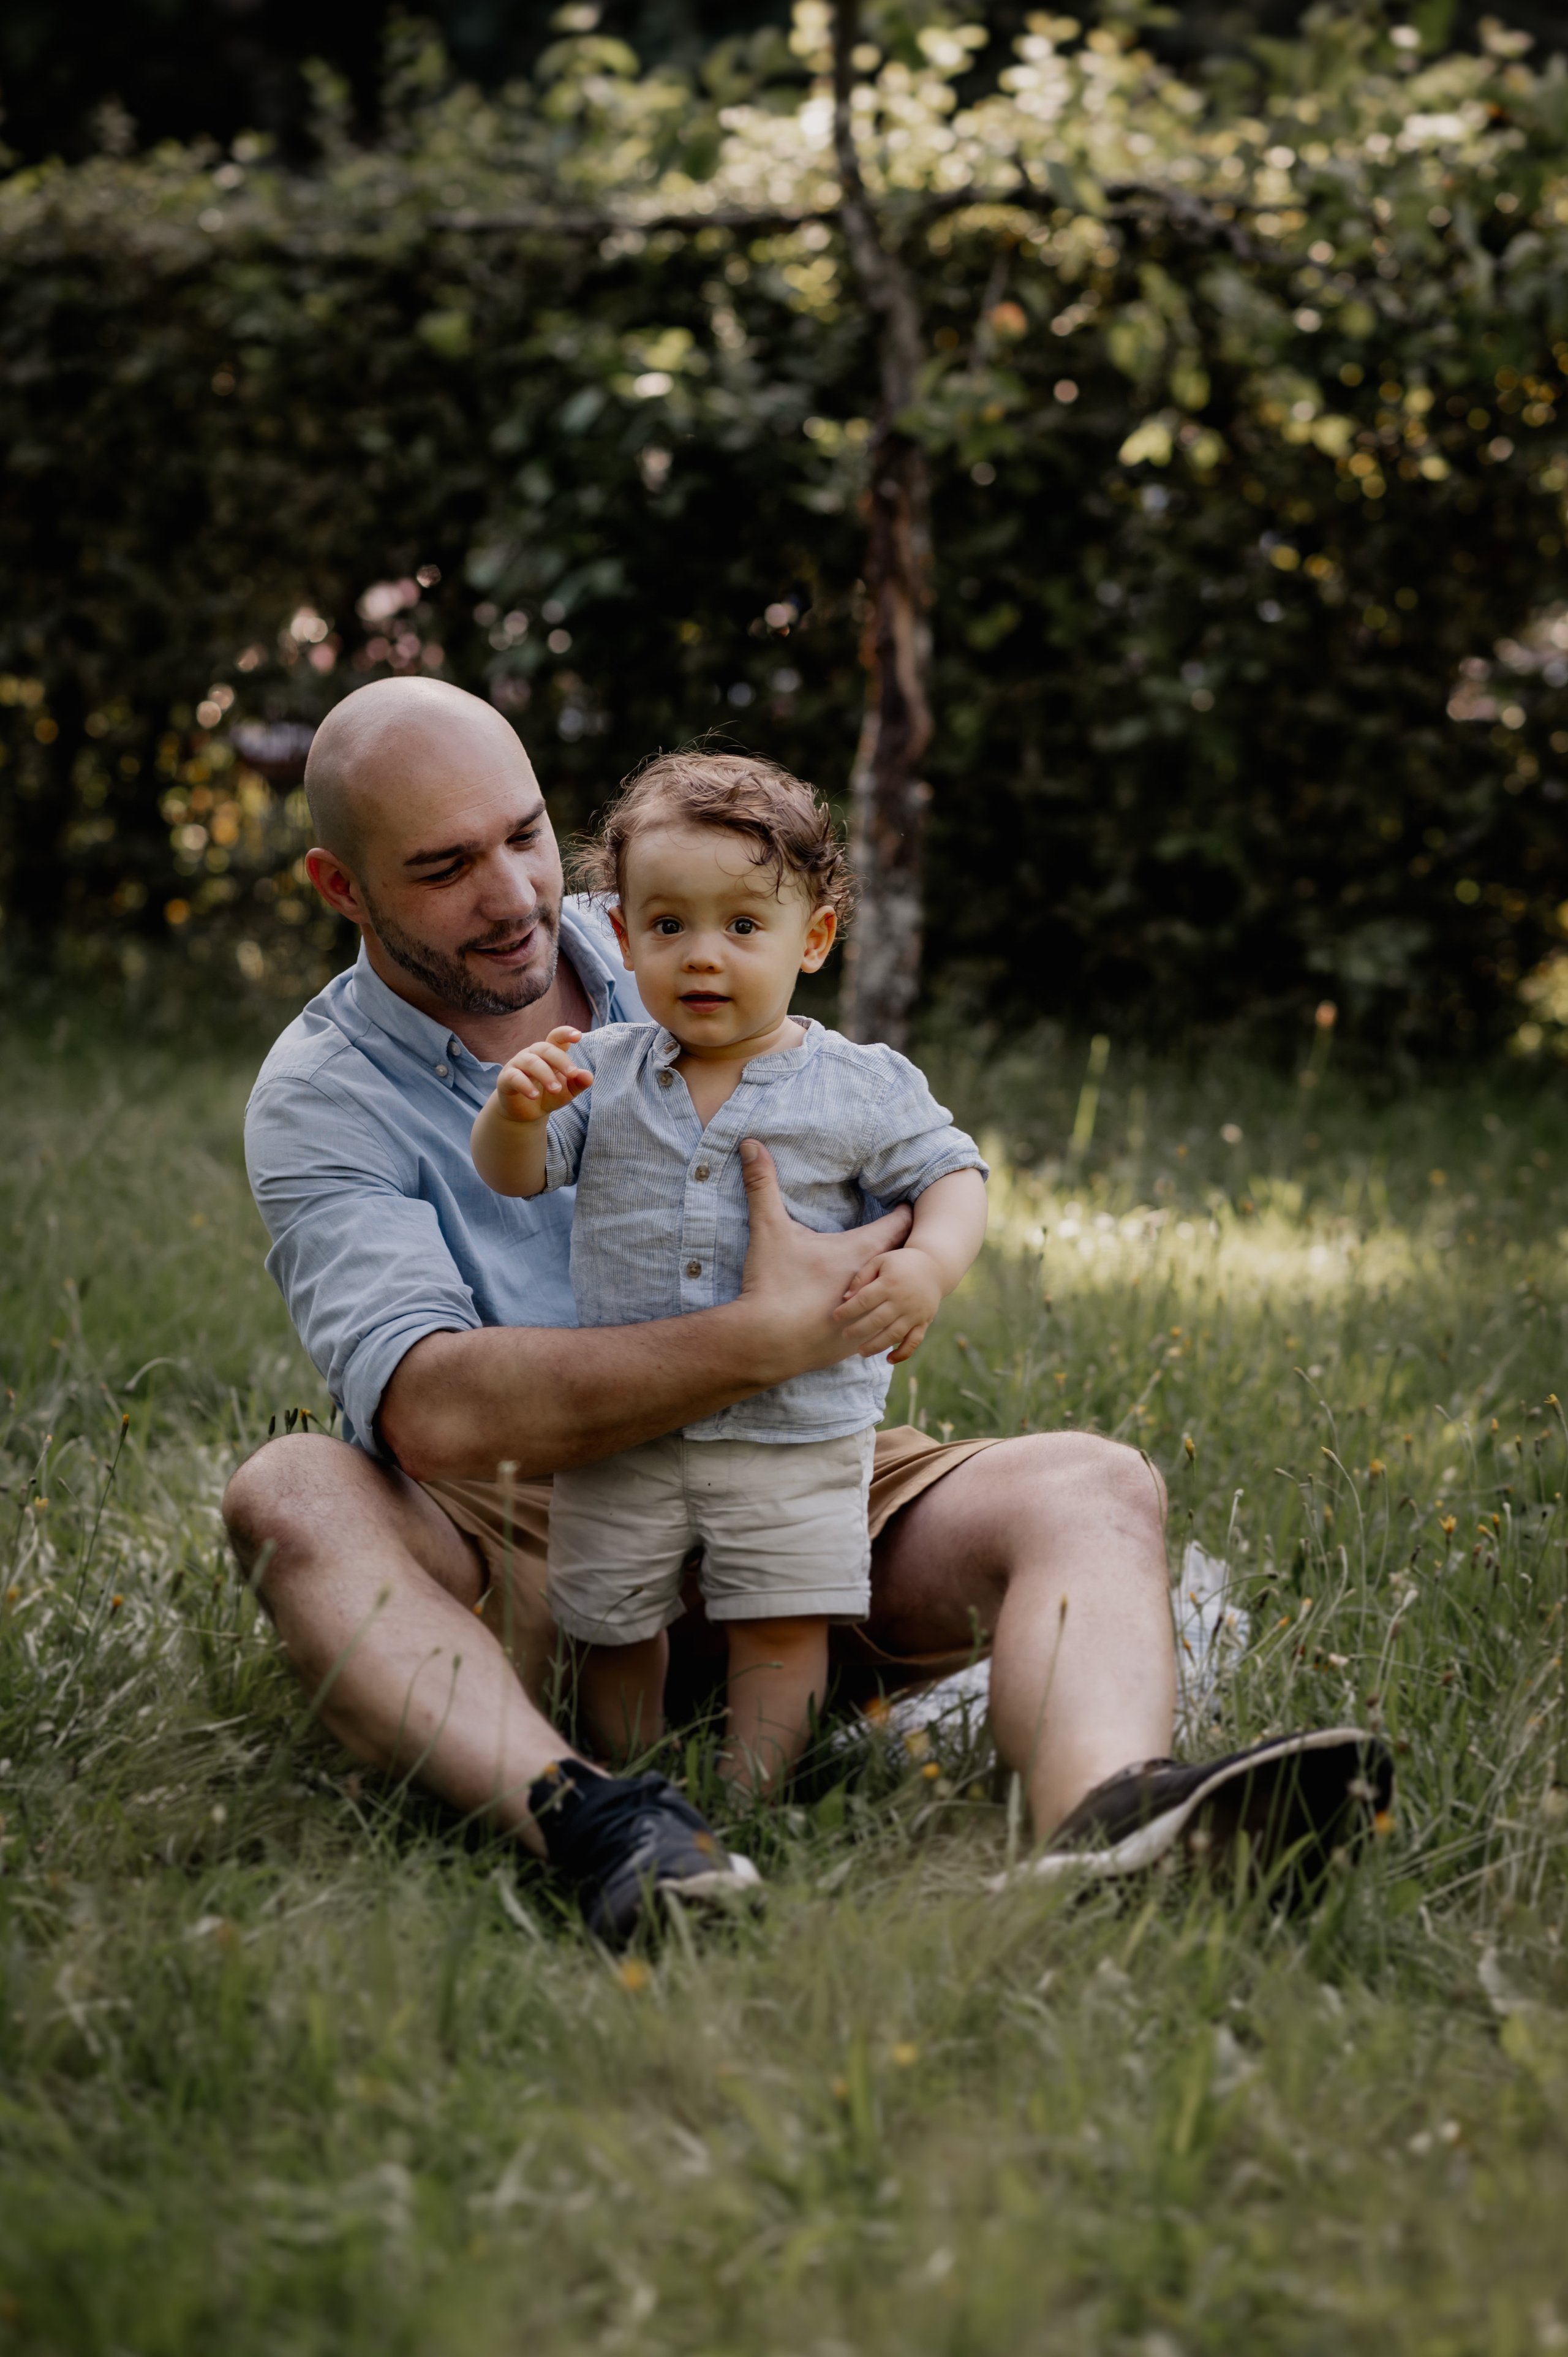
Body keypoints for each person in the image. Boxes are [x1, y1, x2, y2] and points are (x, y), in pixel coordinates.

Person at [225, 675, 1389, 1940]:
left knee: (1090, 1484)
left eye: (523, 835)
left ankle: (1111, 1826)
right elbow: (433, 1412)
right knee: (291, 1492)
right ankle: (598, 1819)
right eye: (445, 866)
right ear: (340, 887)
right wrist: (762, 1334)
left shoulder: (673, 918)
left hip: (788, 1469)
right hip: (531, 1532)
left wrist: (898, 1266)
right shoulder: (322, 1093)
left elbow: (885, 1153)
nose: (511, 895)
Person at [469, 753, 989, 1793]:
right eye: (669, 927)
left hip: (798, 1429)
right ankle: (631, 1778)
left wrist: (928, 1265)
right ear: (623, 936)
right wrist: (514, 1114)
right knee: (612, 1619)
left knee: (783, 1620)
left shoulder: (859, 1086)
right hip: (627, 1426)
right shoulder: (604, 1071)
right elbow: (516, 1178)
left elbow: (953, 1173)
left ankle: (754, 1791)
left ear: (816, 940)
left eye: (744, 927)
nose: (704, 958)